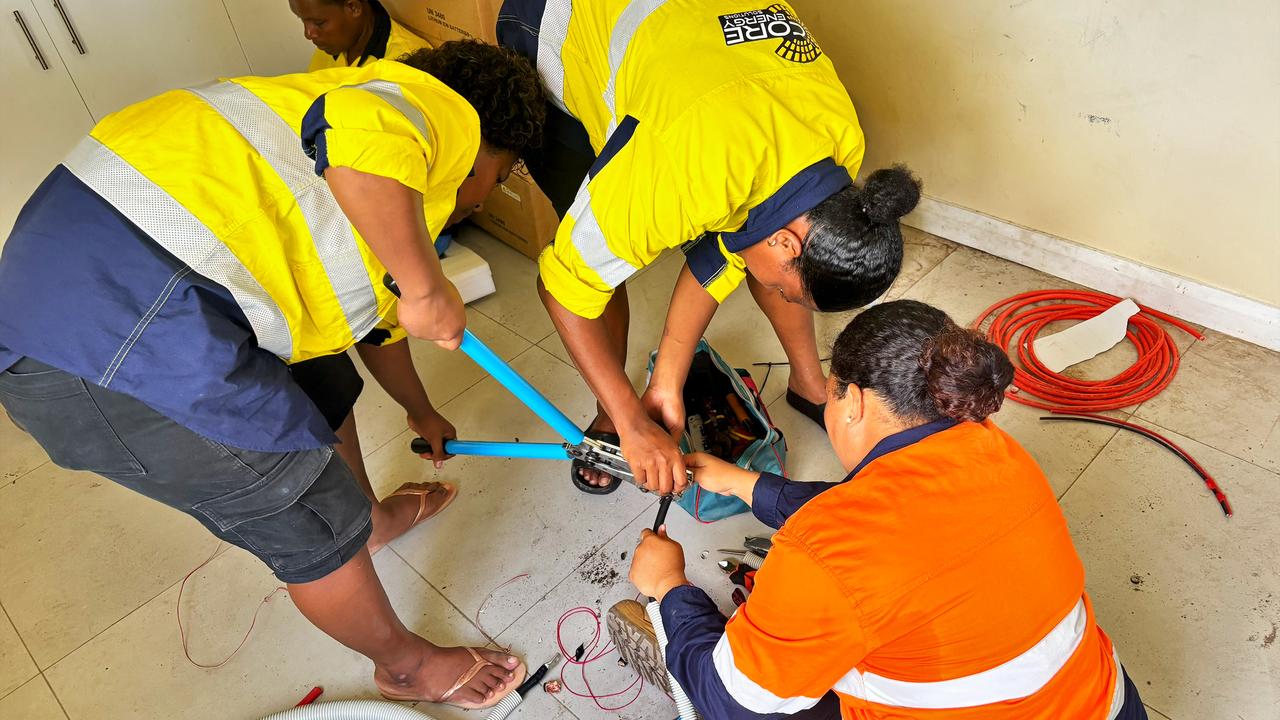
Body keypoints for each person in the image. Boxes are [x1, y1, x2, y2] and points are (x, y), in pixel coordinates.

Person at [0, 42, 545, 709]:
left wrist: (420, 411)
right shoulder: (431, 114)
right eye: (500, 179)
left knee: (323, 377)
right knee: (301, 503)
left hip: (141, 292)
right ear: (497, 153)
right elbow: (361, 144)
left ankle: (369, 520)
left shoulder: (372, 166)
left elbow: (375, 323)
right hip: (102, 337)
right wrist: (430, 286)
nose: (483, 200)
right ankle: (403, 666)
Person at [628, 299, 1148, 719]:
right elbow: (884, 513)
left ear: (853, 401)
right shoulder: (996, 450)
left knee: (751, 689)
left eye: (829, 395)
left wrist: (670, 589)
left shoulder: (823, 554)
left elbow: (731, 703)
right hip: (1106, 705)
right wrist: (748, 485)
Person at [496, 0, 921, 498]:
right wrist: (634, 421)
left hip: (697, 65)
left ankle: (809, 384)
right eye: (787, 294)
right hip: (553, 19)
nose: (779, 298)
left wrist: (667, 382)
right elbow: (565, 287)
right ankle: (612, 415)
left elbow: (732, 243)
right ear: (785, 241)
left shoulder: (838, 142)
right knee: (596, 256)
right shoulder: (671, 174)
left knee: (745, 244)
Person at [292, 0, 430, 72]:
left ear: (353, 8)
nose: (309, 34)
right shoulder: (332, 45)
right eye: (302, 20)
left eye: (319, 23)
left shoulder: (409, 60)